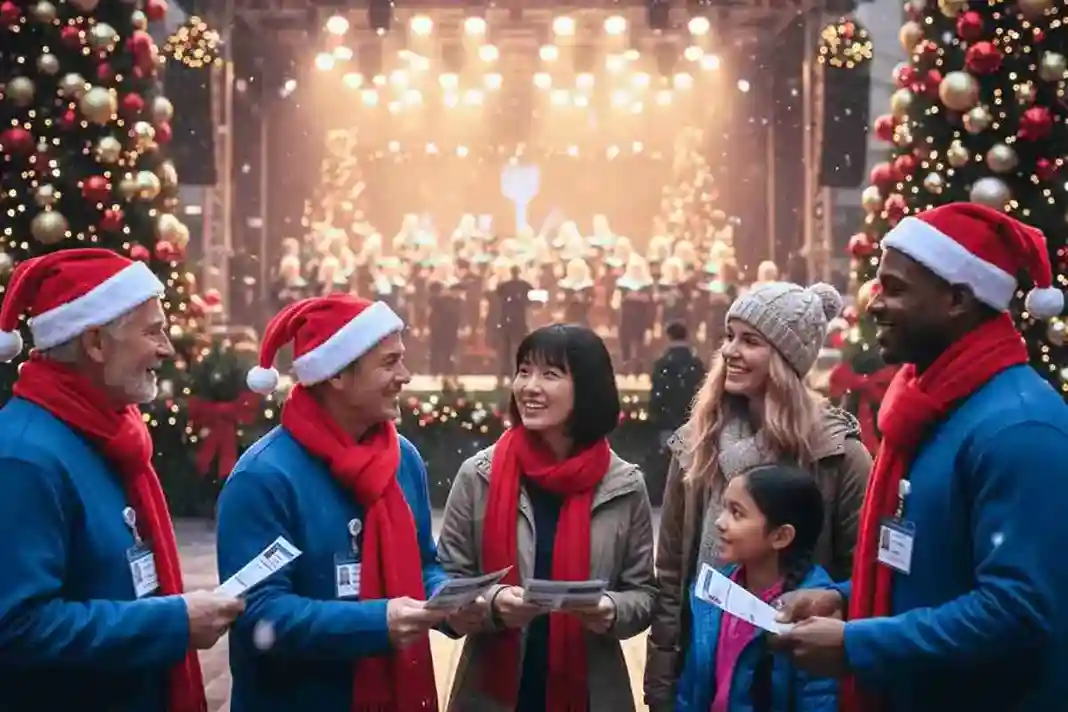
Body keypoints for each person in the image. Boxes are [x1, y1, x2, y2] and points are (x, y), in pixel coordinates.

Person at [775, 203, 1068, 712]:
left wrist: (859, 644)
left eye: (895, 288)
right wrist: (846, 598)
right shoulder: (927, 407)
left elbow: (1018, 610)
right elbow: (928, 569)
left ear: (957, 298)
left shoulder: (1020, 428)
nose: (874, 303)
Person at [0, 249, 243, 712]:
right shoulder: (23, 458)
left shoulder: (107, 434)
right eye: (152, 331)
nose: (166, 349)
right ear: (95, 342)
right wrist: (173, 622)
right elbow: (18, 628)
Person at [217, 294, 453, 712]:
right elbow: (258, 613)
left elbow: (423, 564)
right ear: (337, 374)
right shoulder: (264, 477)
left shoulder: (403, 460)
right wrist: (377, 623)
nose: (405, 376)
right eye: (389, 363)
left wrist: (450, 600)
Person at [645, 282, 872, 712]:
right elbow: (672, 577)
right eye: (729, 336)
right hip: (702, 678)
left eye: (750, 341)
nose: (730, 351)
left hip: (796, 682)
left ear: (786, 360)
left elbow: (864, 576)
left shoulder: (838, 456)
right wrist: (660, 686)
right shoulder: (695, 445)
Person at [436, 324, 656, 712]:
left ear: (587, 388)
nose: (529, 387)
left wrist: (610, 609)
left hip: (591, 692)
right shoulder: (480, 475)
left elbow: (644, 594)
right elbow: (443, 583)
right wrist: (493, 602)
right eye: (524, 371)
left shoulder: (624, 485)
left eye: (550, 374)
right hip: (492, 694)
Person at [676, 465, 837, 712]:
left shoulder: (815, 613)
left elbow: (819, 702)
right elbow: (690, 689)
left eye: (737, 513)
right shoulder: (713, 592)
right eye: (723, 508)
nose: (719, 522)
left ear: (781, 536)